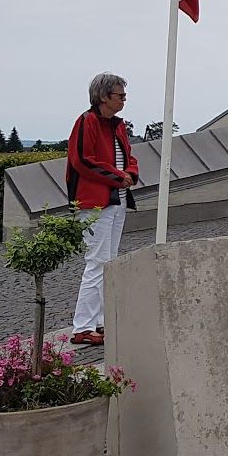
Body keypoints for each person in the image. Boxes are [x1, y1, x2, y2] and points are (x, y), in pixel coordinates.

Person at [66, 72, 139, 346]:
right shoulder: (87, 122)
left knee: (108, 262)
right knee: (97, 262)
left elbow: (129, 156)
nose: (124, 99)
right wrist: (118, 176)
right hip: (96, 201)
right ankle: (83, 326)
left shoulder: (117, 126)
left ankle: (100, 322)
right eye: (120, 95)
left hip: (116, 199)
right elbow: (83, 160)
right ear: (103, 96)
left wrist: (130, 172)